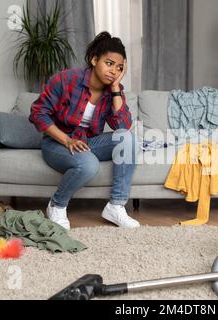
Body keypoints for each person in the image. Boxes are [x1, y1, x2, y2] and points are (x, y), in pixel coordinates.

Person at [29, 31, 140, 230]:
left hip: (87, 142)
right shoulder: (65, 79)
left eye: (119, 68)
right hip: (57, 143)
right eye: (109, 63)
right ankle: (57, 205)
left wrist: (115, 88)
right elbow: (38, 113)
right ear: (94, 59)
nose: (114, 71)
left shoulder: (113, 90)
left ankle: (115, 206)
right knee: (89, 165)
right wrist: (66, 140)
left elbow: (123, 127)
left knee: (127, 139)